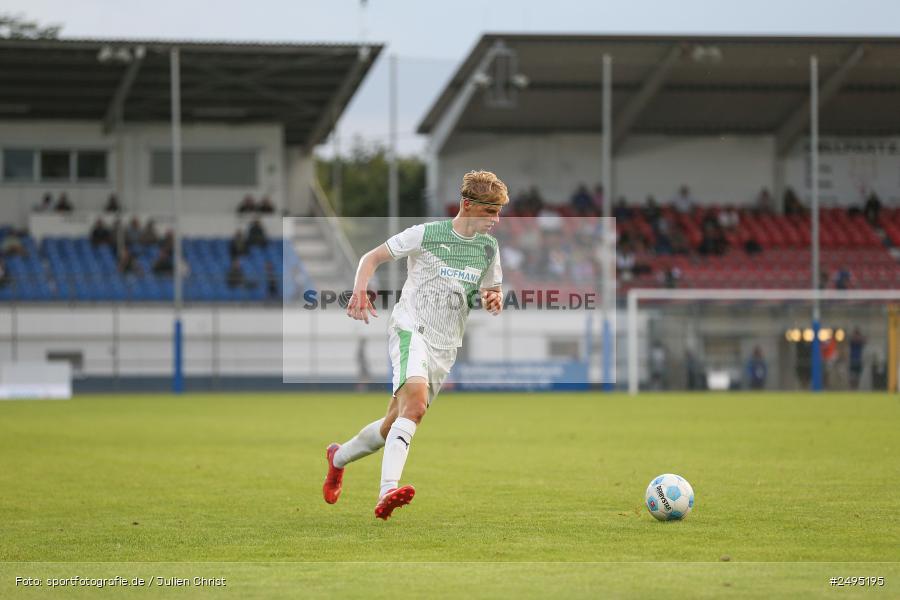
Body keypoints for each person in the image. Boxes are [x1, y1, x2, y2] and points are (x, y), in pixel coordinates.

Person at [323, 170, 507, 520]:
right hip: (411, 328)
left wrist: (493, 298)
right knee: (416, 408)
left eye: (499, 212)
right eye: (490, 211)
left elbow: (491, 289)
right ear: (467, 205)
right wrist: (360, 289)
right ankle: (387, 491)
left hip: (445, 346)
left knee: (392, 424)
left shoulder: (488, 248)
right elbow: (370, 258)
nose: (496, 220)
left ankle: (338, 458)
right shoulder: (426, 234)